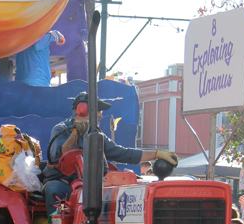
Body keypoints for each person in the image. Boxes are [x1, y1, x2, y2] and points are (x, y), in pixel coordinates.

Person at [42, 92, 177, 216]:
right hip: (63, 180)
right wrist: (74, 134)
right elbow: (60, 155)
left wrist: (157, 154)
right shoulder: (60, 129)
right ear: (82, 110)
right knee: (54, 189)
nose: (101, 115)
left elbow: (123, 153)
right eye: (99, 111)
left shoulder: (97, 134)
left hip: (90, 183)